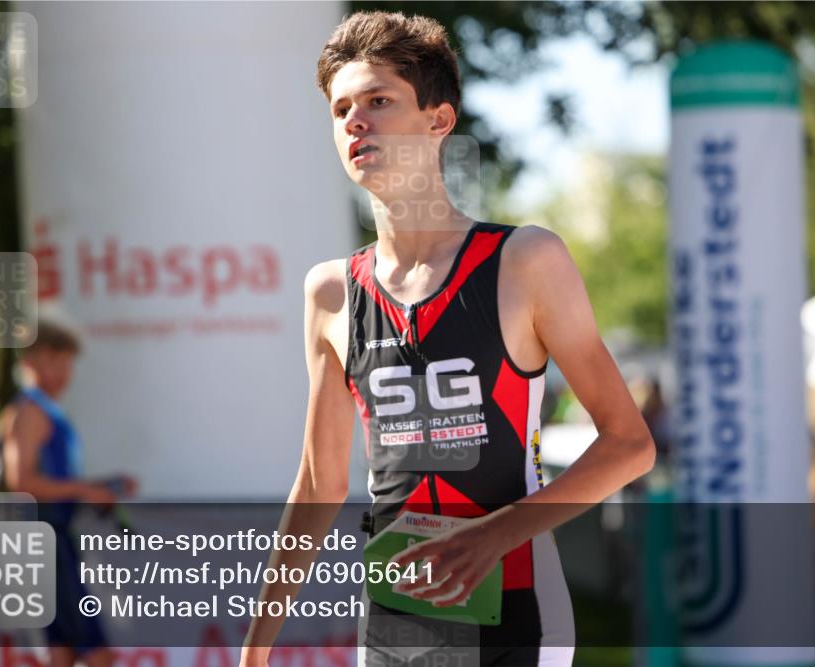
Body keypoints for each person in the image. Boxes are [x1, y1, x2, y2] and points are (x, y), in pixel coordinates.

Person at [240, 11, 655, 667]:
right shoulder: (329, 292)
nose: (355, 120)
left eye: (379, 100)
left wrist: (494, 534)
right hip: (392, 620)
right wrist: (256, 646)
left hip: (517, 610)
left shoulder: (525, 261)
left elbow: (630, 444)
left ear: (439, 119)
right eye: (341, 107)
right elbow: (319, 480)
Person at [1, 319, 135, 667]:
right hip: (46, 542)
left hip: (56, 538)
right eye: (52, 362)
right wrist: (84, 490)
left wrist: (101, 486)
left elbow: (56, 480)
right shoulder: (29, 412)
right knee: (97, 652)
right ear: (28, 363)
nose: (62, 372)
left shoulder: (49, 410)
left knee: (61, 650)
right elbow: (22, 482)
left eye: (66, 363)